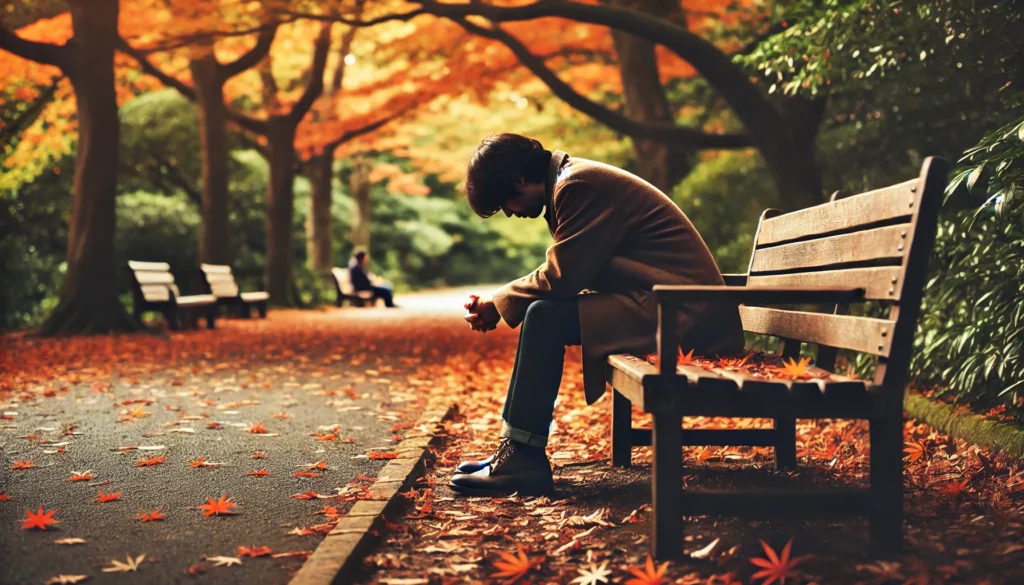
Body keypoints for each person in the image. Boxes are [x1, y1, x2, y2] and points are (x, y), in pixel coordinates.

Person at [452, 133, 746, 496]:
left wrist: (497, 304)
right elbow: (570, 271)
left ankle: (522, 456)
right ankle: (516, 450)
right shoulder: (570, 182)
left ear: (520, 180)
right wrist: (500, 303)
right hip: (665, 302)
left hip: (683, 311)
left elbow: (562, 277)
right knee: (542, 315)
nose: (511, 212)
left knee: (544, 317)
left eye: (506, 203)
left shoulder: (579, 187)